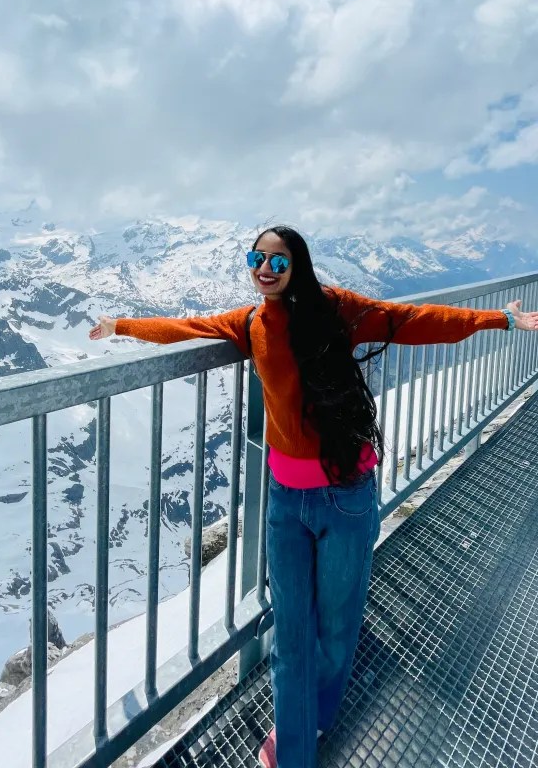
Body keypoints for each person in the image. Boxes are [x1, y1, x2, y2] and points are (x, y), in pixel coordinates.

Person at [89, 225, 538, 768]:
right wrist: (120, 326)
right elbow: (185, 327)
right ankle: (297, 749)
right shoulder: (251, 322)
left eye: (278, 261)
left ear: (297, 265)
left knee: (338, 624)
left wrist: (500, 319)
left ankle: (319, 715)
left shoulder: (338, 309)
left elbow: (413, 320)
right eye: (257, 258)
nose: (265, 269)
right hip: (285, 502)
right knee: (292, 633)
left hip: (346, 495)